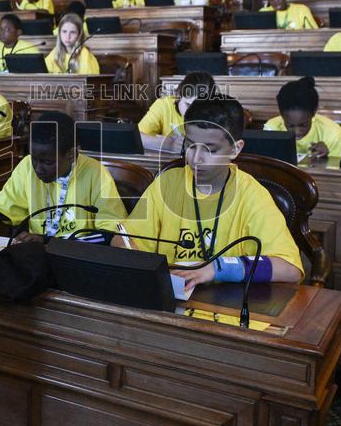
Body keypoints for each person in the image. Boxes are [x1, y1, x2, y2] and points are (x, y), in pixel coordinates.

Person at [122, 95, 304, 290]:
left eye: (210, 150)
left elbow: (291, 269)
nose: (196, 158)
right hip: (172, 300)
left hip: (228, 306)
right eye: (190, 145)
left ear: (235, 149)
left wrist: (218, 268)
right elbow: (124, 240)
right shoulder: (166, 183)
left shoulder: (252, 194)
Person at [0, 111, 126, 240]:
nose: (38, 168)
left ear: (71, 155)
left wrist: (48, 242)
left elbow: (110, 234)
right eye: (34, 159)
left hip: (79, 259)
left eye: (47, 163)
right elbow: (5, 206)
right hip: (37, 255)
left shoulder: (96, 174)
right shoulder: (27, 167)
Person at [264, 77, 341, 160]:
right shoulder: (272, 129)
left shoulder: (333, 134)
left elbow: (338, 170)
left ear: (314, 112)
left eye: (303, 125)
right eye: (290, 126)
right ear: (281, 115)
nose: (297, 132)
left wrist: (326, 159)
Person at [138, 71, 216, 152]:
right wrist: (169, 144)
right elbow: (137, 137)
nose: (191, 112)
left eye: (199, 107)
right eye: (188, 105)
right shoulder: (164, 105)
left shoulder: (216, 111)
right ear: (179, 96)